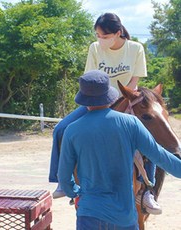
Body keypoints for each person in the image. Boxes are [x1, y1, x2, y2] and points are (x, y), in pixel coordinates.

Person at [49, 12, 161, 214]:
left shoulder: (135, 48)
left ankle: (147, 191)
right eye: (98, 36)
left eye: (104, 37)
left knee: (149, 135)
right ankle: (61, 181)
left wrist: (121, 102)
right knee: (60, 129)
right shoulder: (94, 48)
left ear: (117, 33)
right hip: (95, 100)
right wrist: (99, 104)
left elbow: (134, 81)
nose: (100, 40)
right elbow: (90, 79)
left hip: (126, 99)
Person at [58, 70, 181, 230]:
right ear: (109, 96)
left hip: (89, 215)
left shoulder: (71, 130)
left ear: (84, 100)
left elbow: (64, 177)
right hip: (124, 217)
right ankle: (147, 196)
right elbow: (160, 157)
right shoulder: (131, 123)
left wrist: (76, 192)